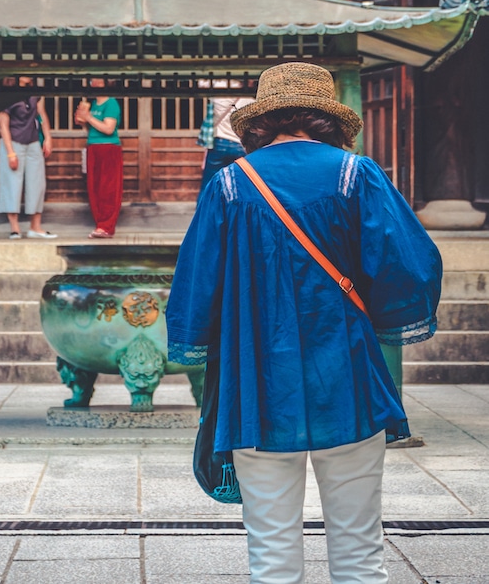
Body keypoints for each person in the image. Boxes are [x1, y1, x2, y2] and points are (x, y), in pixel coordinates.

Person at [166, 62, 442, 584]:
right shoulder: (356, 174)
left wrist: (200, 345)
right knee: (360, 550)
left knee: (271, 553)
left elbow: (195, 286)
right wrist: (382, 316)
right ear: (328, 120)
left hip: (256, 384)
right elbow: (411, 266)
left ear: (259, 124)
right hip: (348, 379)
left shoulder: (229, 184)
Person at [0, 77, 57, 240]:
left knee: (37, 183)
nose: (28, 76)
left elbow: (42, 115)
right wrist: (10, 152)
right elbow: (3, 124)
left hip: (32, 142)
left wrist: (48, 137)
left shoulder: (34, 93)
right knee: (12, 183)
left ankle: (35, 227)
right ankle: (15, 228)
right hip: (13, 142)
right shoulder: (6, 95)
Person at [74, 78, 123, 238]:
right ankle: (99, 224)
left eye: (97, 78)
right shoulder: (92, 103)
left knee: (108, 187)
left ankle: (107, 226)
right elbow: (91, 130)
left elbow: (109, 129)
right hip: (93, 145)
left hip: (109, 147)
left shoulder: (111, 103)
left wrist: (88, 118)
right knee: (94, 187)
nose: (93, 81)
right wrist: (82, 121)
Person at [199, 87, 252, 195]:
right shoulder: (250, 99)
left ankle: (204, 210)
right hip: (240, 144)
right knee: (240, 186)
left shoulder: (218, 96)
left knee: (209, 185)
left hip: (220, 143)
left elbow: (202, 83)